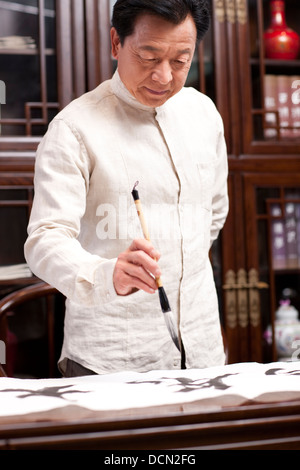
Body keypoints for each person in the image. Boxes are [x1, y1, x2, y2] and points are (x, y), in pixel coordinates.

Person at [24, 0, 229, 377]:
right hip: (112, 357)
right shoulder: (75, 128)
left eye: (181, 60)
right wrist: (107, 275)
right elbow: (45, 240)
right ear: (116, 43)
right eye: (149, 56)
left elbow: (213, 214)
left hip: (203, 351)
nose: (164, 76)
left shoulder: (204, 115)